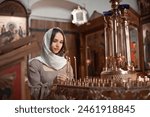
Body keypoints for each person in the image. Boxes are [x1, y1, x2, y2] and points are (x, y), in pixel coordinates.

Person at [28, 27, 74, 99]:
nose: (58, 45)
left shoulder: (66, 64)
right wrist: (53, 84)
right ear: (47, 41)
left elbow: (74, 92)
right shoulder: (35, 64)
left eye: (61, 42)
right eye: (55, 41)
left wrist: (67, 84)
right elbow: (34, 93)